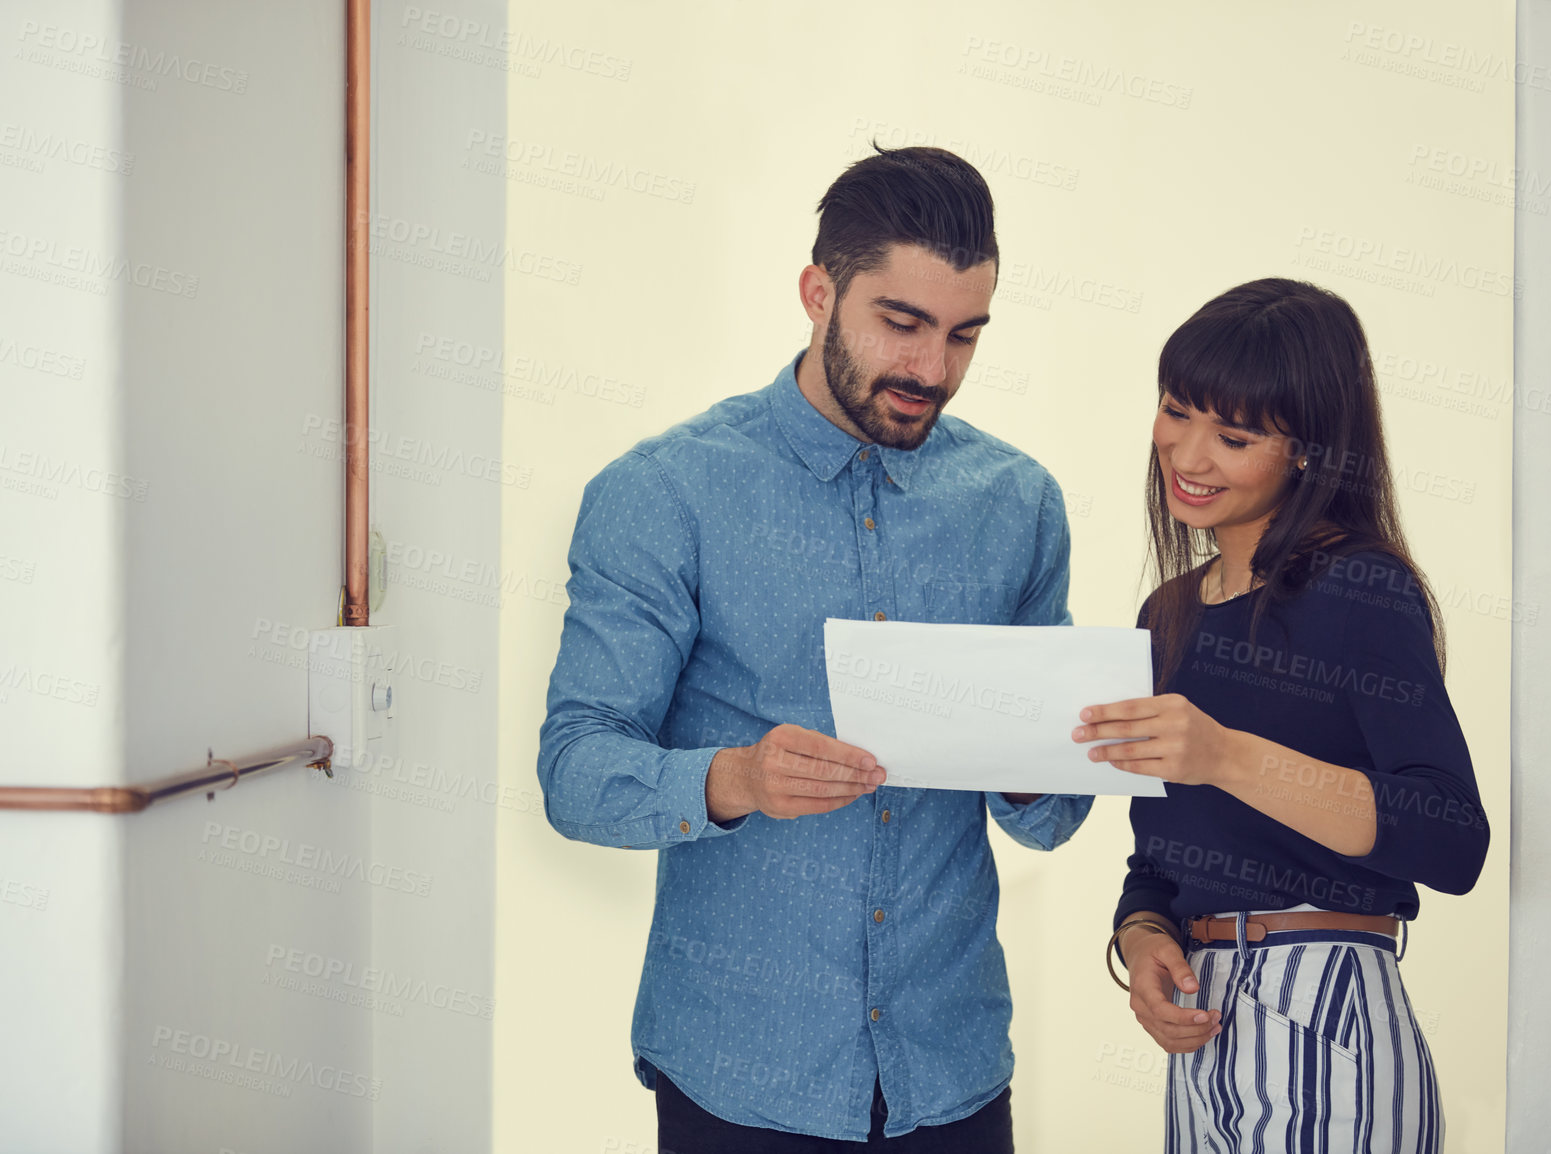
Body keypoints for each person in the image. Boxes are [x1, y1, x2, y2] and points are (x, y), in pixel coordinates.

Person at [537, 145, 1090, 1151]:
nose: (933, 369)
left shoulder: (1018, 506)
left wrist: (1033, 754)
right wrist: (734, 777)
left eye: (966, 333)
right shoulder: (666, 493)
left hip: (951, 1078)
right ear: (817, 291)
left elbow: (1052, 817)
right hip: (741, 1079)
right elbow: (575, 768)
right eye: (903, 323)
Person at [1073, 278, 1489, 1152]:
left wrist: (1226, 755)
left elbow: (1451, 838)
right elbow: (1157, 857)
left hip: (1327, 1015)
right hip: (1201, 1027)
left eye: (1233, 436)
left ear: (1308, 451)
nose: (1188, 455)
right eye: (1176, 412)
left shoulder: (1361, 589)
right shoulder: (1167, 613)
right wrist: (1141, 936)